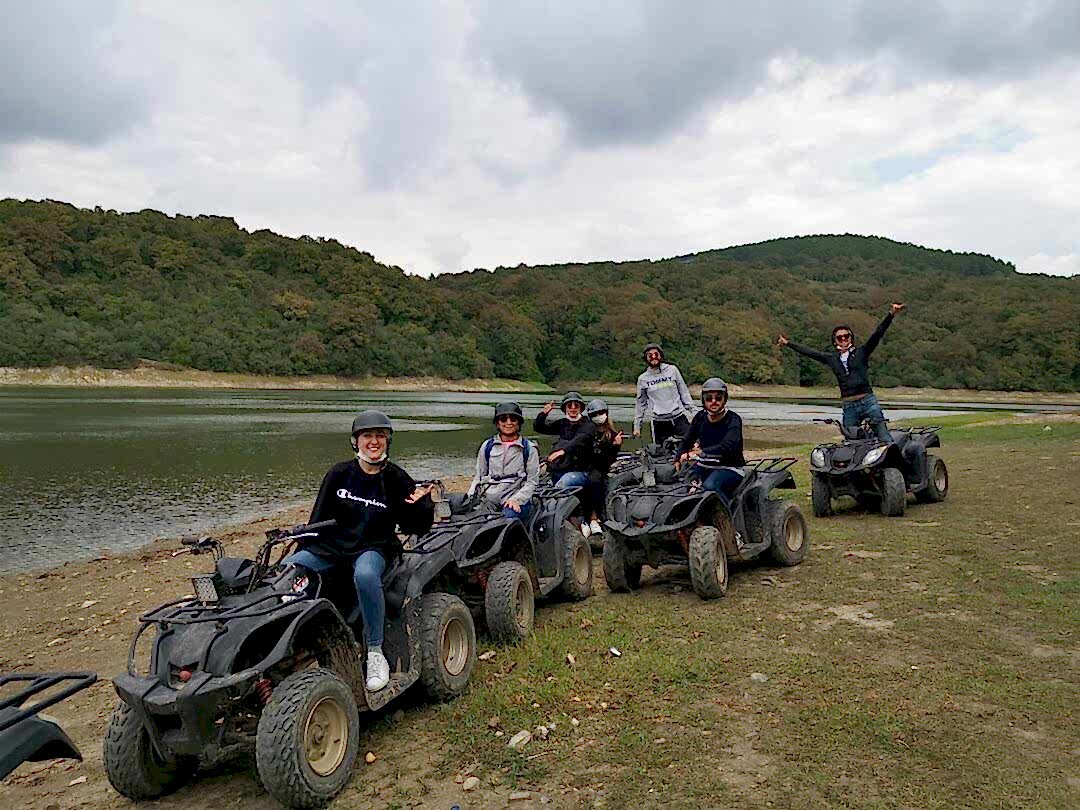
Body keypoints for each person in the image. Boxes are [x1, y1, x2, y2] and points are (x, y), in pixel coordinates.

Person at [288, 410, 434, 692]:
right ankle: (291, 644)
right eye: (368, 436)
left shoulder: (396, 478)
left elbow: (415, 525)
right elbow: (318, 519)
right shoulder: (338, 474)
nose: (374, 441)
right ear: (356, 441)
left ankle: (375, 651)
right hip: (331, 547)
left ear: (388, 441)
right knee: (289, 570)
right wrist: (302, 547)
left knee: (366, 576)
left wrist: (422, 505)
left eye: (380, 436)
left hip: (373, 547)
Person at [777, 303, 905, 443]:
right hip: (849, 406)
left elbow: (877, 334)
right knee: (850, 442)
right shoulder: (832, 359)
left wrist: (891, 314)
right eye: (840, 338)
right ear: (835, 341)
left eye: (846, 336)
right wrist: (788, 343)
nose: (843, 339)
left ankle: (897, 463)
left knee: (884, 437)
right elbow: (810, 352)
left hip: (867, 402)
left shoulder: (861, 352)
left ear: (851, 338)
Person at [676, 378, 746, 504]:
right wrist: (678, 458)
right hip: (703, 465)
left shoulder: (734, 420)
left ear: (724, 399)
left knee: (710, 487)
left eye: (718, 398)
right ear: (703, 400)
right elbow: (687, 440)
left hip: (729, 467)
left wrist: (699, 453)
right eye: (709, 398)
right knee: (679, 486)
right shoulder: (700, 417)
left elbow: (728, 445)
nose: (714, 402)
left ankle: (725, 519)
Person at [467, 401, 541, 522]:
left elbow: (532, 482)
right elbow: (479, 476)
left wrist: (517, 499)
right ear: (497, 422)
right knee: (473, 521)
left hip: (515, 498)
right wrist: (470, 496)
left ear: (519, 422)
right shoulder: (487, 446)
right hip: (489, 498)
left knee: (506, 522)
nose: (508, 423)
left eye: (513, 419)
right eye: (503, 419)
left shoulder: (529, 448)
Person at [633, 343, 696, 444]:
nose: (654, 357)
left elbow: (684, 392)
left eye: (656, 354)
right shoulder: (643, 379)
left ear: (661, 355)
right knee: (662, 454)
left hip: (678, 418)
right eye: (650, 355)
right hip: (659, 422)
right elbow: (640, 404)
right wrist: (637, 427)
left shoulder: (672, 370)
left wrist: (694, 413)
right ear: (646, 358)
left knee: (689, 447)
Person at [533, 391, 594, 489]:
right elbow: (540, 428)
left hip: (579, 471)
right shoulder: (562, 423)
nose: (573, 408)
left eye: (576, 405)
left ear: (581, 408)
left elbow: (581, 439)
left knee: (562, 485)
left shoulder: (588, 424)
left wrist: (562, 451)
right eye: (569, 406)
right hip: (559, 468)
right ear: (565, 409)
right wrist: (543, 414)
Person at [581, 398, 624, 536]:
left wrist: (615, 446)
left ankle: (595, 518)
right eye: (595, 414)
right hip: (586, 465)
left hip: (600, 468)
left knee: (595, 480)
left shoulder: (612, 435)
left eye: (601, 412)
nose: (598, 416)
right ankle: (584, 519)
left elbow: (608, 460)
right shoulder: (587, 432)